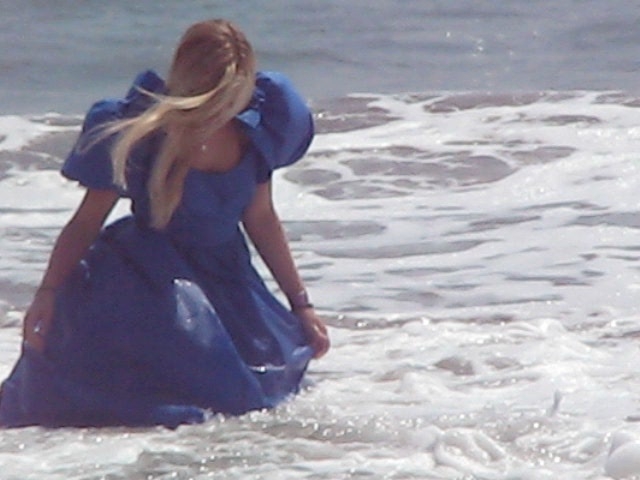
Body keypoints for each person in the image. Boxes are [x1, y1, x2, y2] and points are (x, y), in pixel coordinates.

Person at [0, 19, 329, 428]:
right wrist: (48, 293)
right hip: (147, 279)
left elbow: (261, 219)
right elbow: (85, 222)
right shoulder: (143, 134)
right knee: (160, 401)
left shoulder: (255, 135)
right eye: (216, 98)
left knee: (251, 399)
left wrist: (302, 304)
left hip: (227, 276)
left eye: (233, 98)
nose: (224, 110)